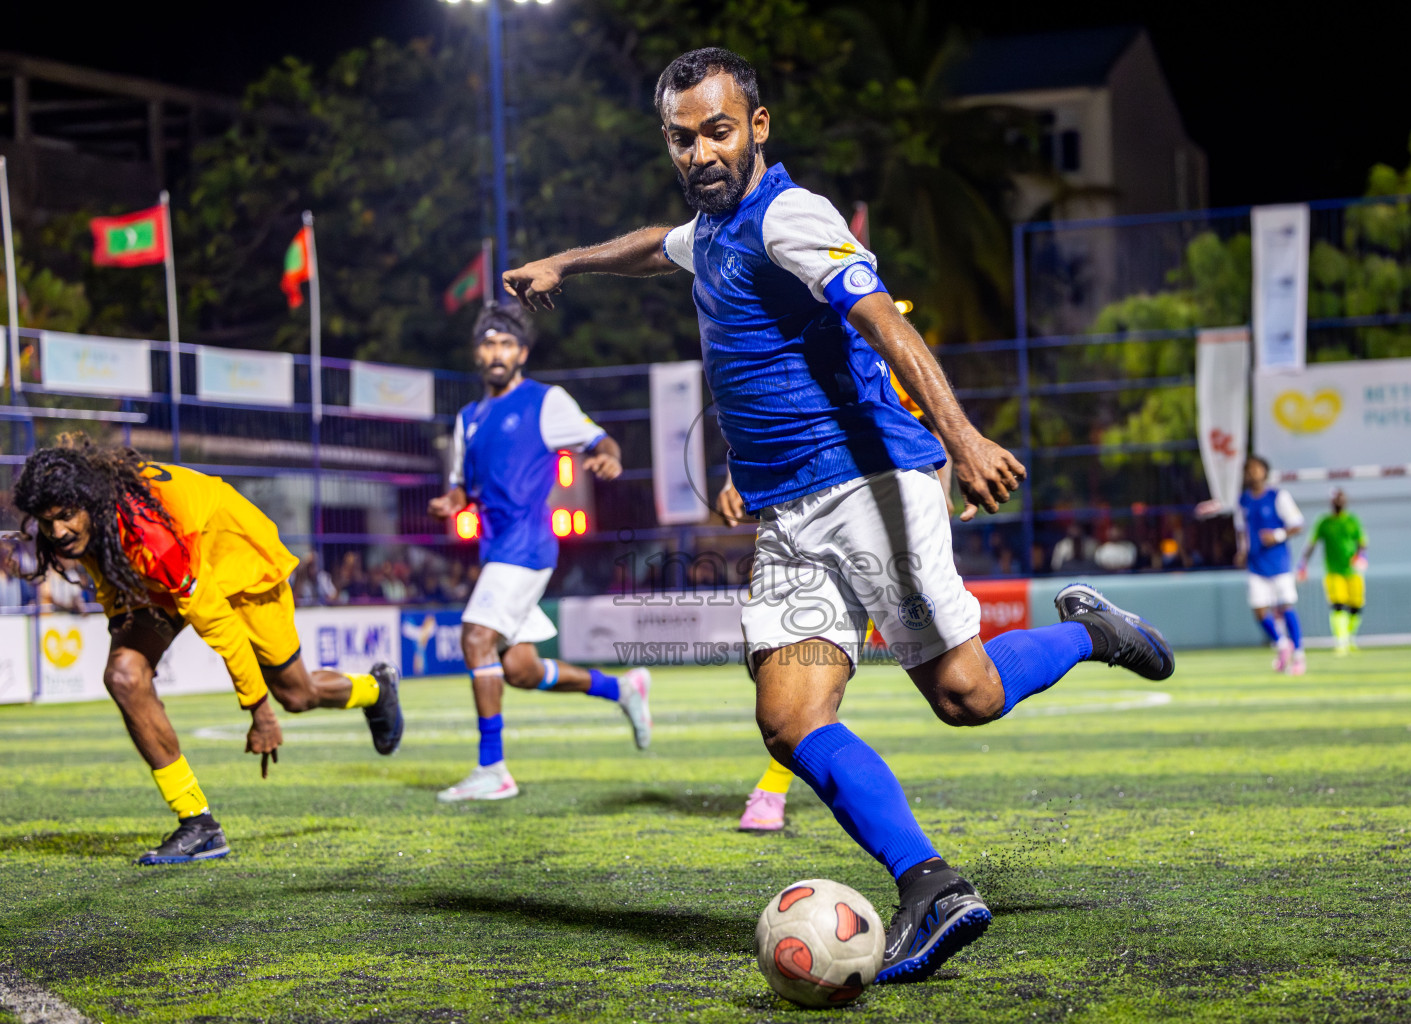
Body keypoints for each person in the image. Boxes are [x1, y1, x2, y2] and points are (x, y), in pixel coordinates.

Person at [502, 47, 1174, 983]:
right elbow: (656, 246)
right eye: (681, 137)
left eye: (718, 132)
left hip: (869, 489)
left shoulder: (790, 215)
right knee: (788, 718)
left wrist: (964, 437)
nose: (700, 153)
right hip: (787, 515)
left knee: (965, 696)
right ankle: (930, 885)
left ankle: (1091, 635)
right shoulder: (715, 229)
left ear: (759, 127)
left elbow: (884, 324)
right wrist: (566, 264)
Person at [10, 438, 403, 864]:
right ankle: (198, 824)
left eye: (66, 517)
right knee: (125, 674)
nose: (58, 531)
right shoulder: (78, 526)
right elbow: (108, 578)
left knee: (296, 695)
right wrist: (128, 635)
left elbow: (218, 624)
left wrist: (259, 711)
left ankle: (375, 689)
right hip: (170, 572)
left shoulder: (149, 535)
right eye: (47, 522)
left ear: (89, 501)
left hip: (237, 564)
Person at [428, 305, 653, 803]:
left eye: (506, 344)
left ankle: (493, 770)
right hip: (497, 551)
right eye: (488, 344)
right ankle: (623, 690)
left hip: (526, 546)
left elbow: (600, 438)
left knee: (475, 637)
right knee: (521, 670)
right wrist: (451, 501)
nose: (497, 353)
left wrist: (608, 457)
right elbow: (461, 488)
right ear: (477, 353)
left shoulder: (546, 402)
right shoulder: (467, 418)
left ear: (522, 353)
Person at [1235, 454, 1306, 674]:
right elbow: (1241, 529)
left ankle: (1299, 655)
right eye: (1249, 469)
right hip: (1256, 564)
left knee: (1286, 606)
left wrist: (1276, 535)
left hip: (1279, 563)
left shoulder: (1278, 496)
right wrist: (1242, 551)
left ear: (1265, 471)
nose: (1253, 472)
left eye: (1256, 468)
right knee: (1258, 610)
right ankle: (1282, 644)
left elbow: (1297, 524)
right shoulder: (1243, 500)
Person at [1299, 488, 1368, 655]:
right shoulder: (1324, 522)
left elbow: (1362, 542)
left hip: (1353, 571)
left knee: (1356, 607)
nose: (1338, 502)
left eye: (1341, 498)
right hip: (1333, 571)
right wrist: (1302, 565)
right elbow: (1312, 544)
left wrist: (1362, 557)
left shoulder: (1352, 521)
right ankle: (1341, 641)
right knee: (1338, 605)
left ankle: (1349, 637)